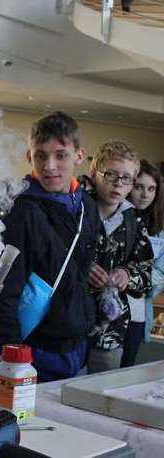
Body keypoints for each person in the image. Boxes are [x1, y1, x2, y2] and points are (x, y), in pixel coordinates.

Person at [0, 112, 100, 382]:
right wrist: (13, 359)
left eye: (60, 155)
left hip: (75, 345)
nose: (50, 166)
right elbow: (3, 291)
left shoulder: (86, 206)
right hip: (35, 350)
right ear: (30, 157)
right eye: (40, 155)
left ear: (79, 155)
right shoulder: (21, 210)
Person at [85, 142, 152, 373]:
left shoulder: (134, 221)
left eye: (126, 178)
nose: (118, 183)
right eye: (111, 174)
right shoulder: (76, 210)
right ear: (95, 174)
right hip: (68, 326)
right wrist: (82, 268)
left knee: (98, 392)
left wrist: (127, 274)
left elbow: (145, 270)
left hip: (111, 331)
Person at [126, 159, 164, 364]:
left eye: (151, 188)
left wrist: (135, 282)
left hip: (139, 313)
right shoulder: (116, 216)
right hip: (104, 312)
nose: (144, 195)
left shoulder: (160, 228)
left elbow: (160, 275)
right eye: (138, 187)